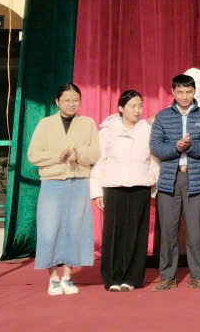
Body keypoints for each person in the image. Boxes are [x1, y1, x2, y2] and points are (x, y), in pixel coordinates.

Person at [28, 83, 99, 296]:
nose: (71, 104)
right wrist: (57, 157)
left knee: (75, 228)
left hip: (79, 182)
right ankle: (53, 278)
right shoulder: (45, 124)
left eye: (75, 100)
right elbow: (33, 155)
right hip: (52, 183)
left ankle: (67, 276)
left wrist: (79, 154)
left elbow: (95, 153)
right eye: (66, 100)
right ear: (57, 102)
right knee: (49, 228)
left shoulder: (88, 123)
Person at [149, 73, 200, 291]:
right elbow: (156, 147)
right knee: (168, 232)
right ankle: (167, 277)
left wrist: (191, 146)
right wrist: (176, 147)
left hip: (197, 179)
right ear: (173, 92)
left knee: (197, 232)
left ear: (195, 92)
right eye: (180, 92)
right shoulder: (162, 116)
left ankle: (198, 276)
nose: (185, 96)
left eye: (188, 92)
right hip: (170, 179)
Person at [90, 90, 159, 291]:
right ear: (121, 108)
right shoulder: (107, 131)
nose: (137, 110)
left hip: (140, 187)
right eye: (132, 106)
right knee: (113, 233)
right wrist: (97, 191)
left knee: (137, 233)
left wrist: (152, 184)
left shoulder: (148, 130)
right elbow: (99, 161)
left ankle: (132, 278)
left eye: (140, 106)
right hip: (114, 187)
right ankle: (112, 278)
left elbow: (154, 161)